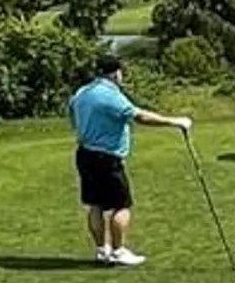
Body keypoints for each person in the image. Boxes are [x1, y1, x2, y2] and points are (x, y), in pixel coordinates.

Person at [67, 50, 190, 266]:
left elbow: (72, 114)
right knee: (121, 205)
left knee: (94, 204)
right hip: (107, 158)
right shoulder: (111, 95)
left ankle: (101, 251)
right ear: (115, 74)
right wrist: (175, 122)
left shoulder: (82, 92)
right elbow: (140, 116)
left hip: (85, 154)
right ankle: (118, 251)